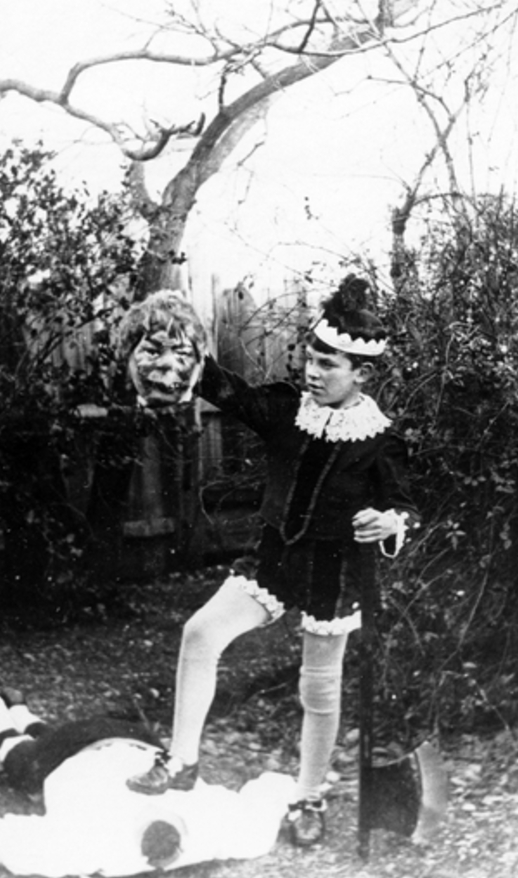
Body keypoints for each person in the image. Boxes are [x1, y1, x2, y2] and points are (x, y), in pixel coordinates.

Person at [124, 275, 420, 848]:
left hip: (334, 575)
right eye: (310, 359)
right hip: (274, 560)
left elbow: (404, 504)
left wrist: (390, 523)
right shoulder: (288, 410)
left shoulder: (381, 440)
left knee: (320, 691)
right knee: (200, 633)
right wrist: (178, 345)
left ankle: (308, 799)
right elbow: (229, 390)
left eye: (328, 364)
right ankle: (182, 761)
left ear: (361, 372)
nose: (313, 372)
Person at [0, 687, 295, 878]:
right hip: (75, 751)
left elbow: (273, 790)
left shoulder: (216, 825)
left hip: (140, 742)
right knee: (22, 762)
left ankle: (20, 709)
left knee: (54, 746)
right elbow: (2, 843)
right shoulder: (94, 843)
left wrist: (293, 794)